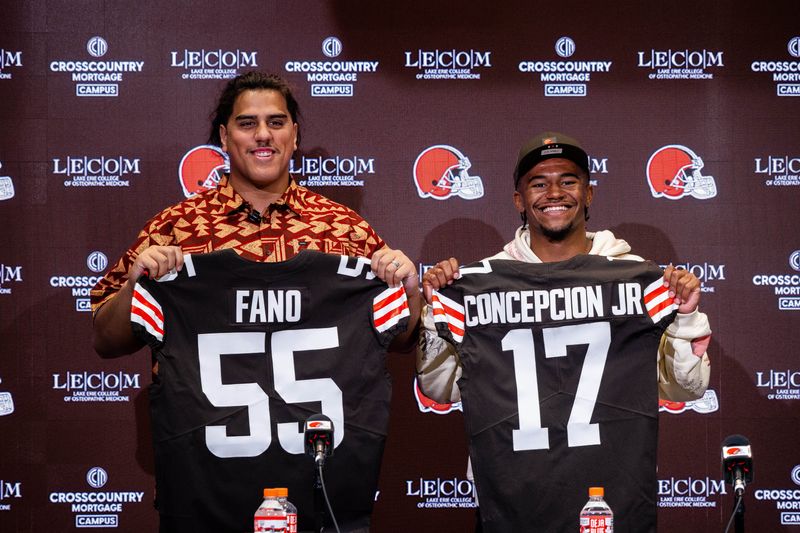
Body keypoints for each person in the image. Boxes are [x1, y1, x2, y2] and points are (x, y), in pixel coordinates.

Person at [91, 71, 420, 532]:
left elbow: (403, 337)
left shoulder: (343, 229)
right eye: (247, 123)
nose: (263, 135)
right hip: (206, 492)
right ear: (224, 136)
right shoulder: (175, 227)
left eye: (276, 122)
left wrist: (406, 287)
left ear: (294, 133)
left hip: (321, 490)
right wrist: (137, 283)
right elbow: (106, 339)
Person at [417, 132, 711, 532]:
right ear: (519, 200)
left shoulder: (637, 278)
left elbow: (687, 388)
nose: (554, 192)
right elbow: (441, 388)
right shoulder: (479, 285)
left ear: (588, 194)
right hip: (512, 498)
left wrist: (685, 317)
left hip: (610, 499)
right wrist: (438, 312)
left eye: (568, 181)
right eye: (539, 183)